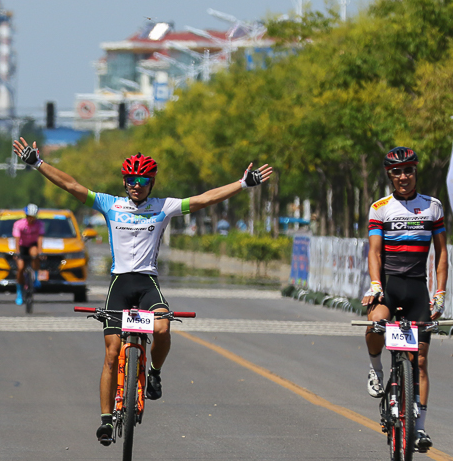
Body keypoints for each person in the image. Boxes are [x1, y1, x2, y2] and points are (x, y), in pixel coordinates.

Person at [13, 137, 271, 445]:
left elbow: (204, 199)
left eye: (144, 180)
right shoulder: (111, 204)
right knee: (111, 355)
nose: (137, 185)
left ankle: (155, 373)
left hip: (147, 283)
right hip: (119, 284)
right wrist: (37, 163)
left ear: (152, 182)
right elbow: (72, 186)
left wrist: (243, 184)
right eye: (132, 180)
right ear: (124, 181)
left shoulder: (163, 207)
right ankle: (106, 421)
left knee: (162, 327)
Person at [361, 147, 448, 453]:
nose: (403, 177)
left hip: (417, 290)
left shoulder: (432, 207)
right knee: (374, 326)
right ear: (390, 175)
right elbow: (374, 251)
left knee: (420, 361)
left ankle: (420, 428)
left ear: (415, 172)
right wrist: (374, 285)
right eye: (397, 172)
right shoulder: (380, 207)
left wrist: (440, 294)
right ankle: (376, 368)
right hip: (389, 287)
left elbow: (441, 255)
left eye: (408, 171)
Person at [12, 203, 45, 306]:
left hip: (32, 245)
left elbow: (40, 238)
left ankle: (35, 277)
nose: (32, 220)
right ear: (26, 216)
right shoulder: (19, 224)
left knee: (35, 254)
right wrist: (17, 252)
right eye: (30, 217)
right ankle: (19, 293)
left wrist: (41, 252)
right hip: (22, 246)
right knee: (21, 267)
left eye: (33, 217)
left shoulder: (39, 224)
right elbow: (17, 240)